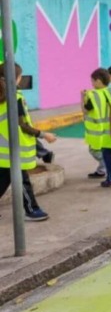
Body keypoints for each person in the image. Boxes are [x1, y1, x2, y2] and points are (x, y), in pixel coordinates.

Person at [0, 63, 55, 221]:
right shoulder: (15, 98)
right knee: (22, 181)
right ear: (15, 79)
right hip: (13, 148)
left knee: (5, 180)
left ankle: (32, 208)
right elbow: (23, 125)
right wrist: (44, 135)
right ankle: (32, 209)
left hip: (3, 149)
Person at [82, 68, 110, 179]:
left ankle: (108, 164)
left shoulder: (93, 95)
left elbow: (85, 110)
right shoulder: (110, 92)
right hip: (108, 128)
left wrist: (82, 97)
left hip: (96, 129)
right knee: (105, 149)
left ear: (98, 81)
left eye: (92, 81)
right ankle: (102, 170)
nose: (92, 84)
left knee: (94, 150)